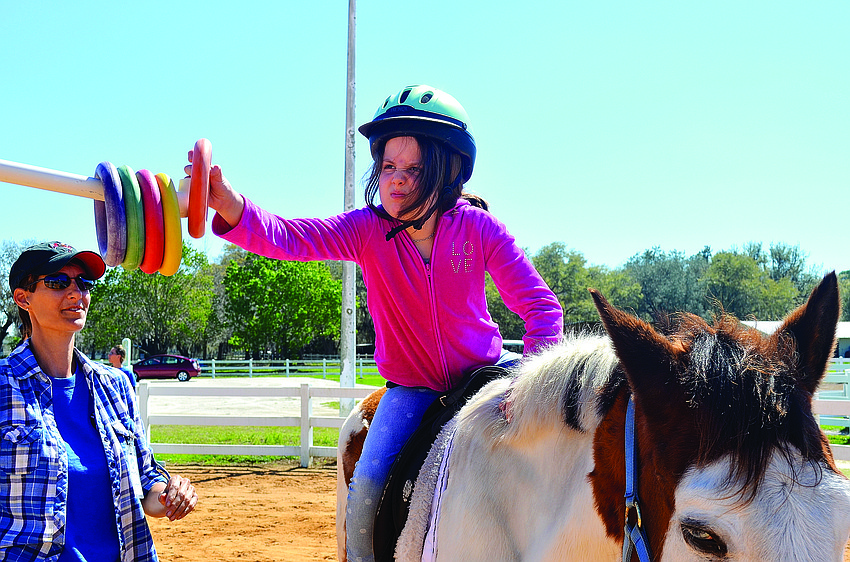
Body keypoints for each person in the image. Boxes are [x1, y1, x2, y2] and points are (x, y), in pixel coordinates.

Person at [192, 84, 563, 561]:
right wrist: (229, 205)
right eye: (388, 167)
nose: (397, 180)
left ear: (447, 173)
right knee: (365, 488)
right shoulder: (366, 231)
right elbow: (291, 237)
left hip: (487, 374)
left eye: (413, 169)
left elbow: (541, 308)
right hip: (411, 390)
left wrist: (526, 387)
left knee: (565, 446)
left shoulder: (479, 229)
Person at [0, 241, 198, 561]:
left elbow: (147, 484)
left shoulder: (116, 386)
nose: (76, 292)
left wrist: (171, 495)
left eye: (83, 282)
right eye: (57, 282)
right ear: (24, 299)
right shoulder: (3, 386)